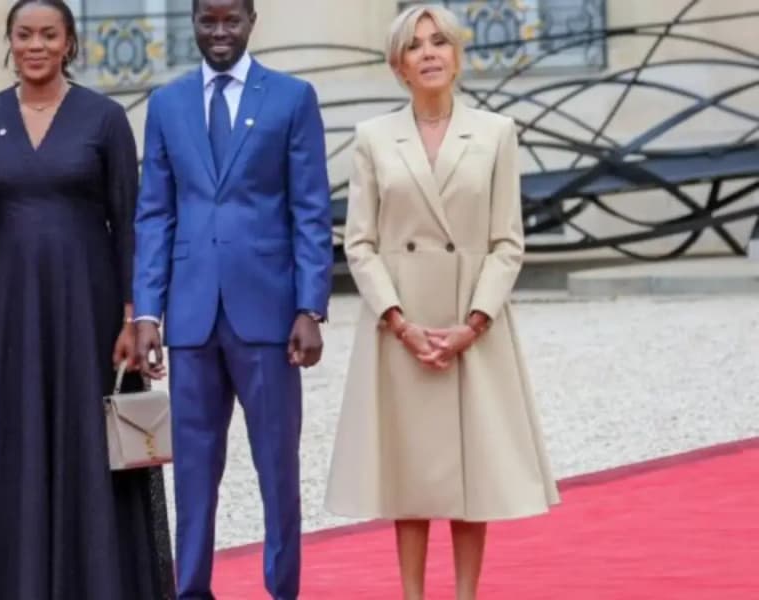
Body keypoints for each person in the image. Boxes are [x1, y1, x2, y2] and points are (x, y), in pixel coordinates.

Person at [323, 5, 560, 600]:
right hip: (401, 324)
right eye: (414, 45)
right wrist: (399, 321)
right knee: (410, 471)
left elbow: (508, 241)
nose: (428, 53)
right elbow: (360, 242)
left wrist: (474, 323)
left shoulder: (497, 132)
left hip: (470, 322)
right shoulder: (374, 138)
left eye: (439, 42)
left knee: (470, 469)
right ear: (398, 66)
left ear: (457, 56)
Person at [0, 1, 174, 598]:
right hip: (9, 312)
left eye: (49, 34)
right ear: (9, 41)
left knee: (94, 445)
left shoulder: (105, 118)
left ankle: (101, 581)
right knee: (12, 443)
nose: (36, 45)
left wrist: (132, 316)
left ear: (69, 43)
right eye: (24, 34)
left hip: (89, 312)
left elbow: (129, 225)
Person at [133, 0, 333, 596]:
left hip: (268, 315)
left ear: (251, 22)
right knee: (193, 472)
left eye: (231, 21)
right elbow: (155, 213)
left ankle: (282, 589)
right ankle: (192, 589)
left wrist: (310, 307)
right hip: (191, 318)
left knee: (277, 467)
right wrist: (148, 311)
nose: (219, 32)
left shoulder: (292, 98)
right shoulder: (167, 104)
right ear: (192, 23)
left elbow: (311, 210)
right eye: (207, 20)